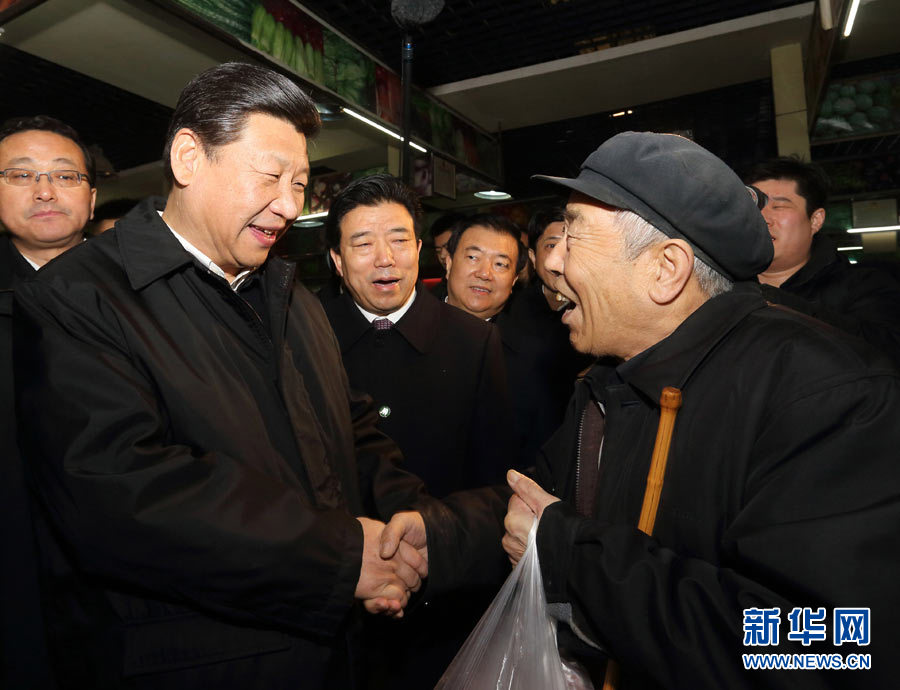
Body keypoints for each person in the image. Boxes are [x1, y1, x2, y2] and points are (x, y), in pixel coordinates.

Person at [13, 62, 433, 690]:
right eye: (270, 176)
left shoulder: (295, 297)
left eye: (300, 183)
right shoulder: (79, 297)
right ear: (189, 158)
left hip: (337, 652)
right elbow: (126, 494)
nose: (290, 205)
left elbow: (350, 429)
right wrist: (344, 558)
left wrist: (404, 529)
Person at [490, 132, 900, 688]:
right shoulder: (609, 384)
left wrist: (572, 558)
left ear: (665, 268)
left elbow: (832, 648)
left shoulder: (829, 393)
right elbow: (533, 495)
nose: (550, 264)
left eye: (572, 238)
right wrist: (427, 536)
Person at [321, 173, 512, 689]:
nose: (385, 257)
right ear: (337, 262)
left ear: (421, 249)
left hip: (444, 607)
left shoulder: (474, 343)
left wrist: (440, 549)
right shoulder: (308, 338)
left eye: (400, 240)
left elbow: (494, 482)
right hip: (336, 609)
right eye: (363, 243)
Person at [1, 114, 95, 690]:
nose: (43, 190)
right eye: (20, 175)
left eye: (63, 175)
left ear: (91, 195)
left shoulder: (150, 301)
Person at [744, 157, 900, 367]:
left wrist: (776, 301)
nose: (763, 217)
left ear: (815, 220)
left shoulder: (863, 285)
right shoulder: (718, 285)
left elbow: (885, 350)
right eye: (754, 206)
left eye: (779, 206)